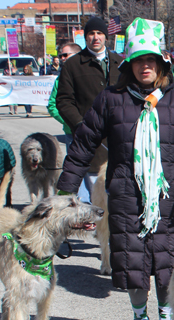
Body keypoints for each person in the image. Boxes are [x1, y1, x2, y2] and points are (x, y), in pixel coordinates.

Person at [56, 18, 174, 320]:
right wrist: (66, 187)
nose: (146, 66)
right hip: (127, 198)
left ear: (160, 65)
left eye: (151, 60)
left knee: (169, 265)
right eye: (140, 60)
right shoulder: (111, 100)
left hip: (168, 202)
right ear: (129, 65)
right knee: (134, 265)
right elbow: (83, 144)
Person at [56, 16, 123, 203]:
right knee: (96, 191)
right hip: (91, 138)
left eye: (99, 33)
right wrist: (79, 125)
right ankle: (98, 229)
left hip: (120, 136)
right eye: (91, 33)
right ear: (85, 37)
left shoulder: (121, 63)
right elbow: (63, 100)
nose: (95, 37)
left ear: (106, 37)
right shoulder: (73, 65)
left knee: (121, 188)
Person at [47, 43, 82, 151]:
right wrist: (68, 120)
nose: (62, 58)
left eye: (65, 55)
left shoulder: (91, 74)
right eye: (61, 55)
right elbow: (52, 105)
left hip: (94, 131)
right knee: (74, 166)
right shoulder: (60, 80)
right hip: (71, 132)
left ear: (77, 55)